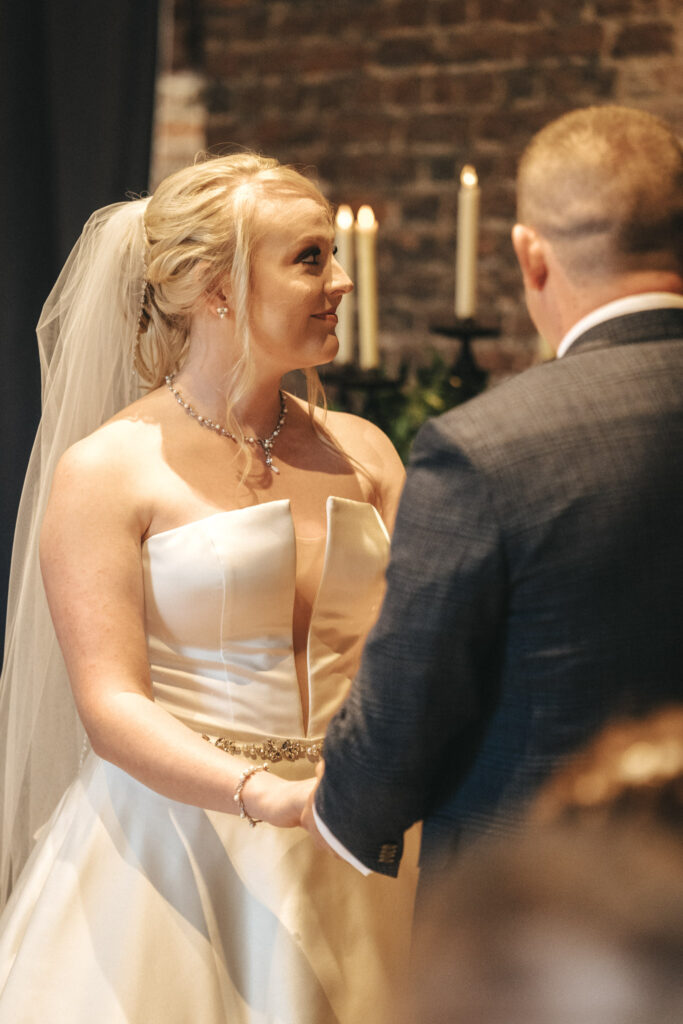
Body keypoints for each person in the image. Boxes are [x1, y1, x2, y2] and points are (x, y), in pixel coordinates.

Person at [0, 153, 419, 1022]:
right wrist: (265, 796)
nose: (339, 281)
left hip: (355, 845)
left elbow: (417, 651)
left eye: (332, 255)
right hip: (176, 856)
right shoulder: (109, 470)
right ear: (214, 289)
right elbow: (111, 704)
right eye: (309, 258)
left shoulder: (367, 452)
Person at [303, 104, 683, 876]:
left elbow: (408, 699)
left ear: (529, 254)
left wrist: (344, 816)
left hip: (547, 891)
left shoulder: (488, 447)